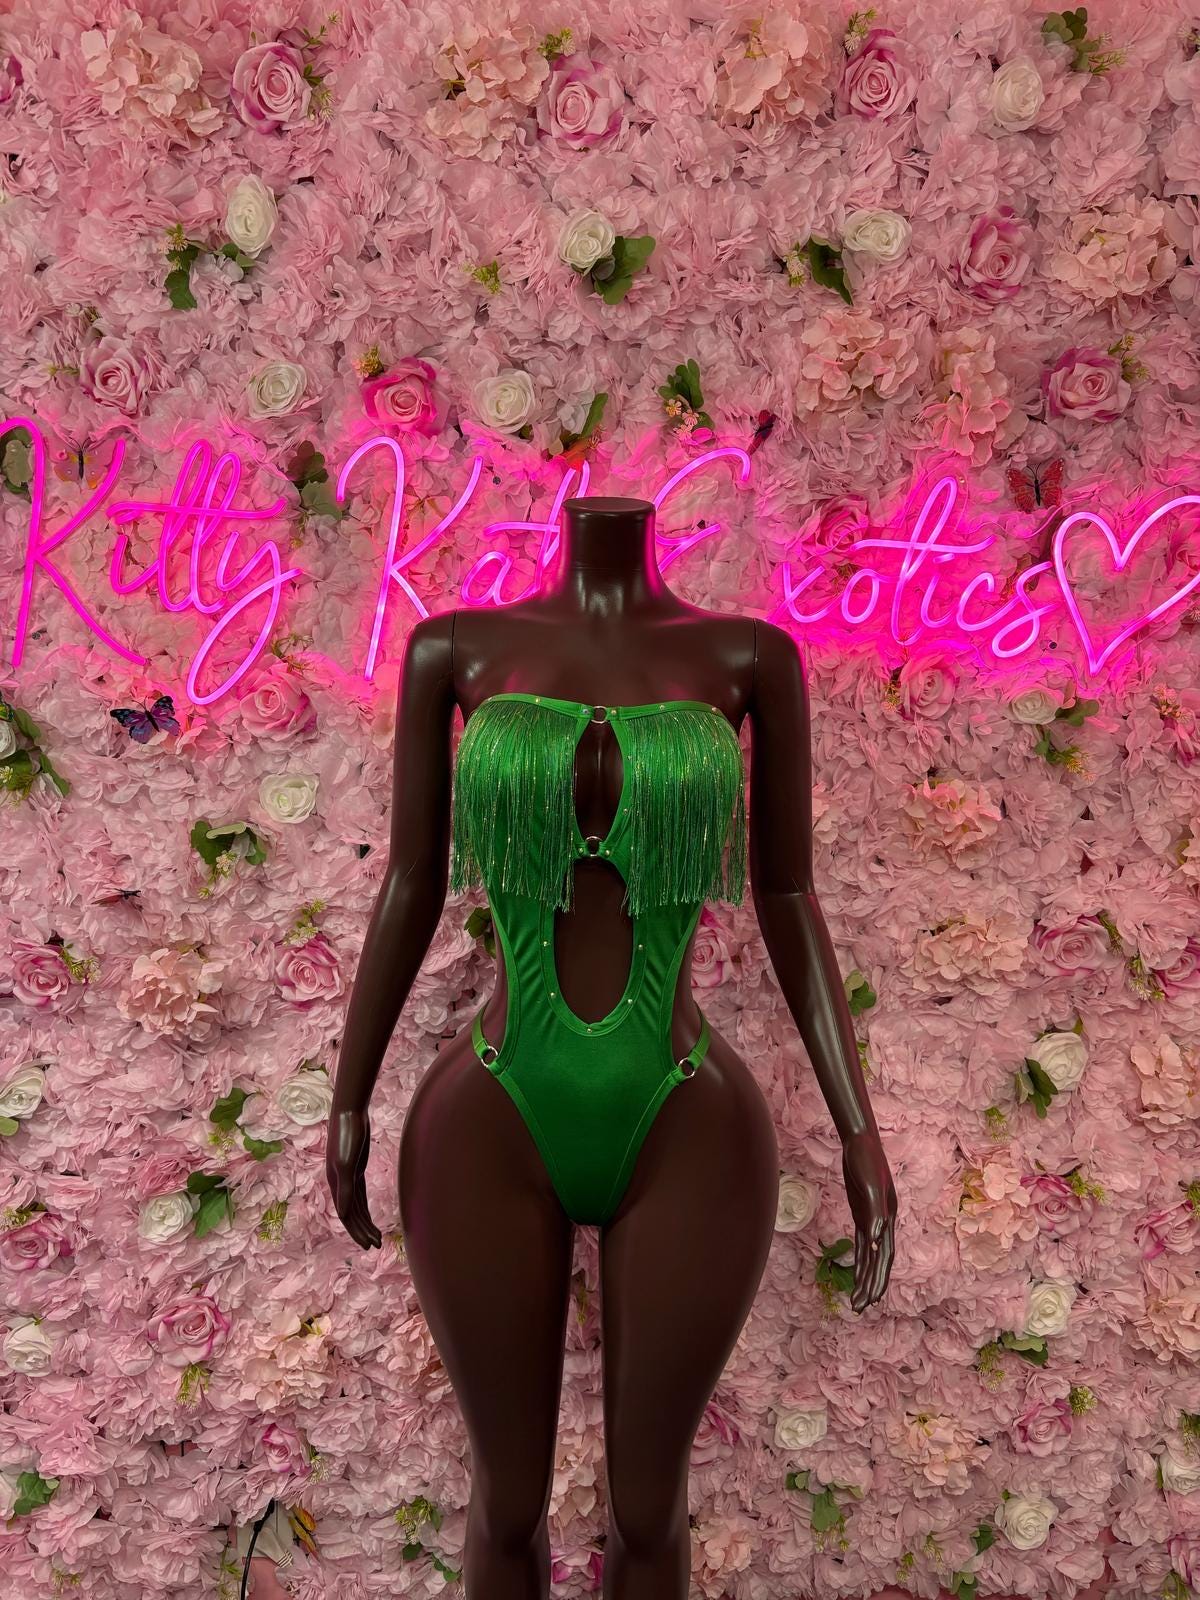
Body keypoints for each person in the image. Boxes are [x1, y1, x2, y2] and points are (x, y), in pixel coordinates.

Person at [327, 494, 897, 1598]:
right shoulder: (452, 650)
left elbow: (788, 893)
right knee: (506, 1500)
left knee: (648, 1504)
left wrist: (858, 1130)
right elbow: (412, 881)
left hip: (685, 1115)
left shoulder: (750, 658)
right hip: (490, 1111)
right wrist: (348, 1096)